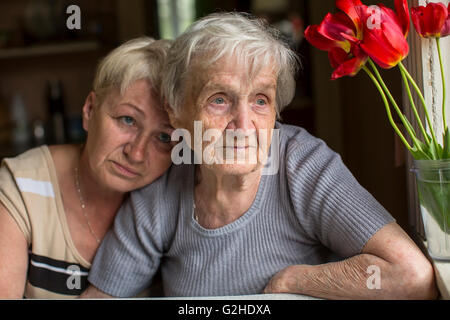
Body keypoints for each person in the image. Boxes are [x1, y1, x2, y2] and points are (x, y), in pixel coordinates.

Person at [82, 13, 437, 299]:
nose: (243, 124)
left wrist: (290, 282)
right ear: (176, 111)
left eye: (260, 100)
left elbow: (412, 275)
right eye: (219, 99)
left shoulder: (304, 166)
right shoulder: (163, 186)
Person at [0, 37, 175, 298]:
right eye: (127, 120)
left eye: (163, 137)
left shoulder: (181, 200)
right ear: (89, 110)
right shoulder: (22, 187)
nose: (137, 153)